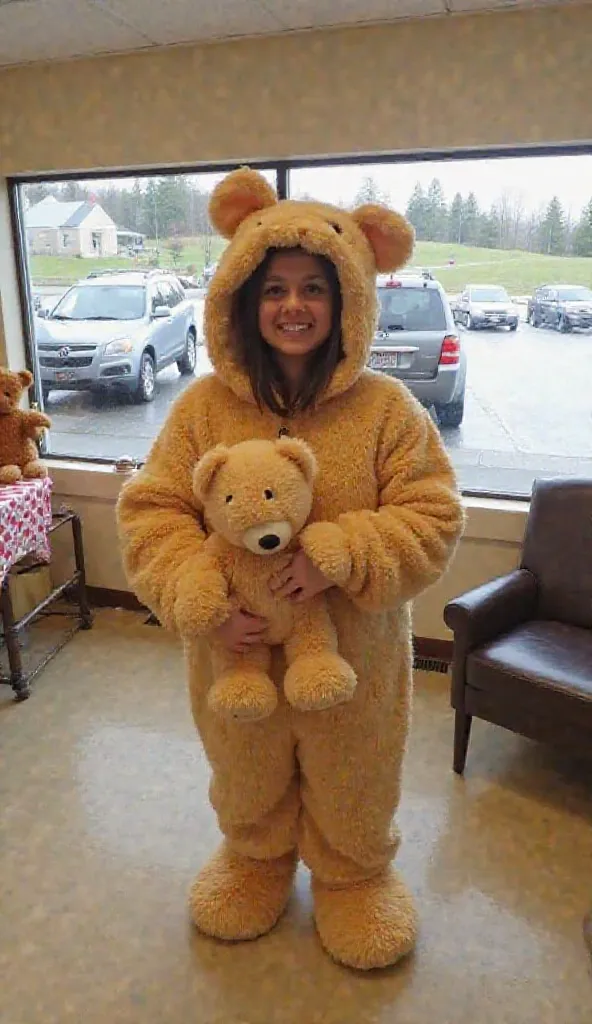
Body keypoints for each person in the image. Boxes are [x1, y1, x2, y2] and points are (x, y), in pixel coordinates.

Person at [116, 168, 464, 971]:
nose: (294, 305)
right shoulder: (201, 409)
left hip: (355, 657)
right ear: (244, 298)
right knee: (244, 767)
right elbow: (154, 510)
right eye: (274, 288)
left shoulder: (387, 411)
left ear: (347, 299)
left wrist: (339, 554)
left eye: (314, 287)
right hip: (232, 654)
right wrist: (193, 596)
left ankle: (351, 874)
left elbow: (435, 514)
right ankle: (255, 857)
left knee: (355, 771)